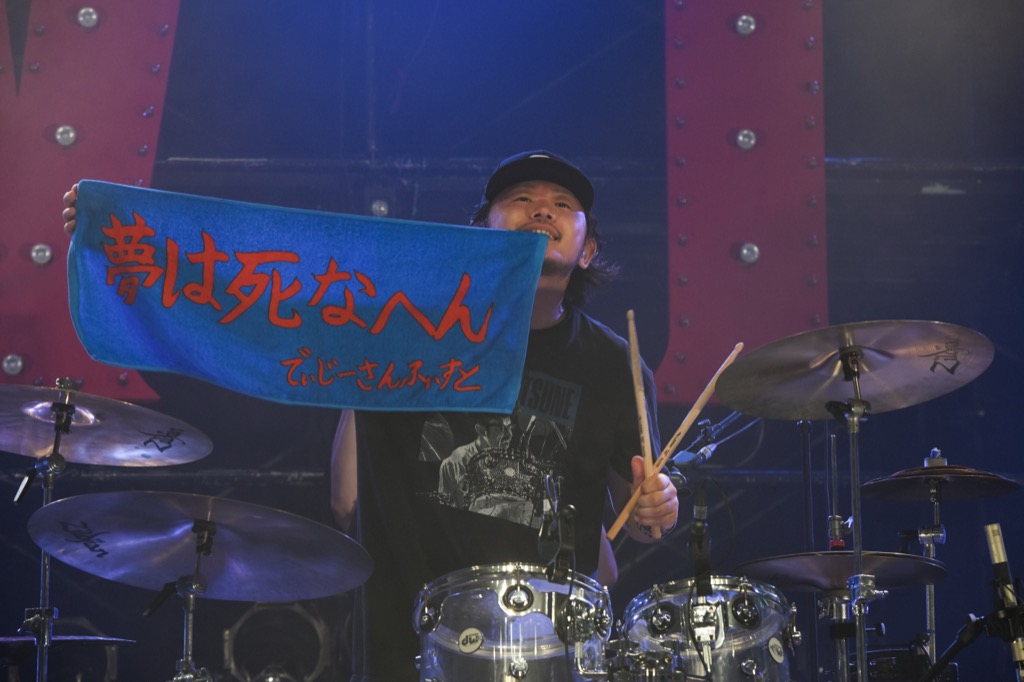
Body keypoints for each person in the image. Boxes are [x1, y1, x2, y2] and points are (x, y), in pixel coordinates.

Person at [63, 150, 679, 682]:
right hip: (410, 647)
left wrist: (660, 508)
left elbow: (639, 515)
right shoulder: (404, 329)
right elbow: (345, 499)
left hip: (553, 654)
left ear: (588, 249)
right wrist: (111, 230)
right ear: (479, 234)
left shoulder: (614, 364)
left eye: (563, 204)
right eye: (521, 198)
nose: (542, 208)